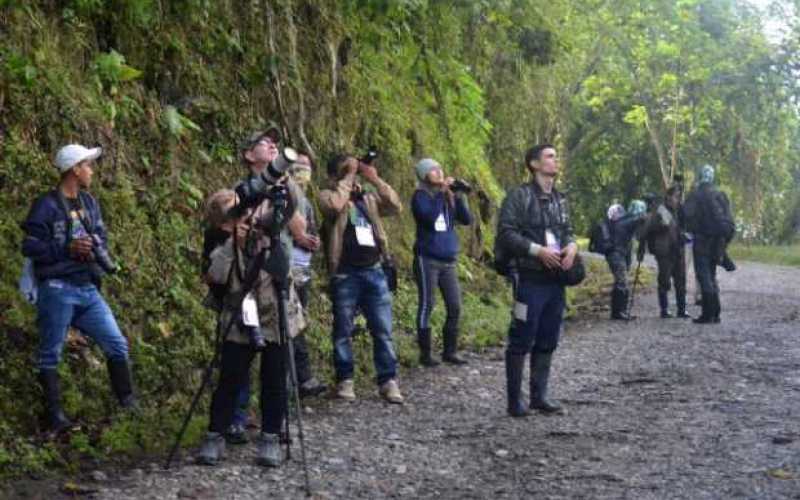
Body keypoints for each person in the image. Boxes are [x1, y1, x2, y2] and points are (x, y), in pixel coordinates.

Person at [22, 144, 136, 433]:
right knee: (50, 352)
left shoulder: (89, 203)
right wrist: (67, 247)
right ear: (74, 169)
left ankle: (128, 405)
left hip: (87, 287)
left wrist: (94, 249)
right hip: (57, 287)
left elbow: (101, 237)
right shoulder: (46, 205)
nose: (91, 171)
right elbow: (31, 246)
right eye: (88, 165)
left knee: (117, 343)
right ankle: (54, 416)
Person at [196, 172, 307, 467]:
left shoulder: (271, 223)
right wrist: (234, 244)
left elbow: (290, 204)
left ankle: (270, 436)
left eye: (247, 209)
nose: (248, 214)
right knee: (230, 377)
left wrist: (281, 181)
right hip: (240, 313)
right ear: (225, 224)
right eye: (239, 213)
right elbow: (215, 277)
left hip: (276, 311)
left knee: (274, 377)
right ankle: (215, 435)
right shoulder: (221, 242)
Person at [223, 131, 325, 445]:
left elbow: (298, 225)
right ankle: (233, 420)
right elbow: (226, 219)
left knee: (276, 358)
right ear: (248, 155)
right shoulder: (240, 191)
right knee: (239, 357)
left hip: (277, 277)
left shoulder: (283, 186)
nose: (272, 145)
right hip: (245, 281)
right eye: (263, 143)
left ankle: (273, 423)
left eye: (274, 142)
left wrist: (283, 181)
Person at [495, 144, 578, 417]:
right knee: (521, 335)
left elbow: (568, 231)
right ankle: (514, 401)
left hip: (555, 279)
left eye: (556, 156)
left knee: (548, 336)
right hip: (528, 279)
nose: (555, 161)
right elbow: (506, 233)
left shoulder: (560, 198)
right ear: (534, 164)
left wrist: (572, 248)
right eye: (550, 156)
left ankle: (539, 396)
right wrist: (537, 251)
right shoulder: (519, 196)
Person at [319, 153, 404, 404]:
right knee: (343, 329)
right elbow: (333, 206)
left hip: (374, 270)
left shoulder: (368, 198)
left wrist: (374, 179)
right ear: (336, 175)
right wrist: (347, 178)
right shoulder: (327, 194)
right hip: (345, 272)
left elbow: (396, 206)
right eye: (347, 170)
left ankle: (388, 381)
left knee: (382, 329)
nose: (353, 175)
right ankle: (345, 380)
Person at [411, 158, 473, 367]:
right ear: (423, 175)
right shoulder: (420, 196)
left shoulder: (446, 197)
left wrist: (458, 196)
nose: (438, 172)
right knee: (428, 304)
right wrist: (441, 193)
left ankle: (450, 351)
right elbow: (428, 217)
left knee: (455, 306)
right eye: (433, 170)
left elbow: (466, 220)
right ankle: (425, 354)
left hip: (448, 260)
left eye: (440, 169)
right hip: (427, 259)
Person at [683, 164, 735, 324]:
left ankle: (708, 313)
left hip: (702, 240)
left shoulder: (695, 194)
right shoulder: (720, 195)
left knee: (704, 276)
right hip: (718, 242)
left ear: (700, 176)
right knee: (711, 276)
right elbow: (729, 221)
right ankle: (716, 313)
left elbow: (686, 215)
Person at [637, 187, 690, 318]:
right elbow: (647, 230)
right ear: (668, 197)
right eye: (676, 197)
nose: (678, 200)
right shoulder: (660, 211)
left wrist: (684, 234)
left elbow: (683, 227)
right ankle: (664, 309)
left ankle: (682, 310)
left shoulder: (679, 211)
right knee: (664, 281)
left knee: (681, 281)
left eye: (679, 197)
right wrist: (660, 226)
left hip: (678, 249)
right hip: (664, 251)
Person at [605, 200, 646, 320]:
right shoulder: (626, 221)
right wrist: (643, 217)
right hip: (616, 254)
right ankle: (619, 312)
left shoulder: (623, 220)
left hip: (618, 254)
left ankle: (619, 311)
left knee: (620, 281)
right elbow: (636, 220)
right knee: (621, 281)